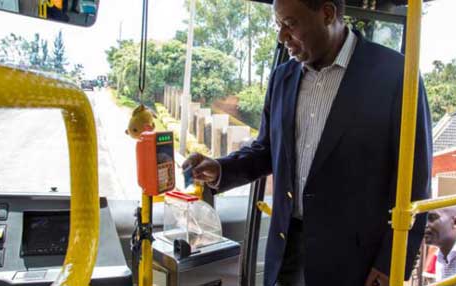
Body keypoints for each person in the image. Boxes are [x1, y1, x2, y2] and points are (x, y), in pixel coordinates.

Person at [183, 0, 432, 285]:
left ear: (327, 14)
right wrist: (220, 169)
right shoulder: (282, 77)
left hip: (355, 262)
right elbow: (266, 149)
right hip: (286, 249)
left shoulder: (396, 74)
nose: (281, 37)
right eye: (279, 26)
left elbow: (416, 182)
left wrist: (391, 265)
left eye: (290, 24)